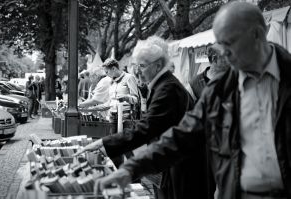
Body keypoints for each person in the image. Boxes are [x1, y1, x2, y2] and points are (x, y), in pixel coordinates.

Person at [92, 2, 291, 199]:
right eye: (219, 43)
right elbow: (182, 135)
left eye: (228, 43)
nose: (222, 51)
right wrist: (131, 169)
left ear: (257, 34)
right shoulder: (219, 90)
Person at [74, 37, 212, 199]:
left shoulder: (167, 89)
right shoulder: (162, 85)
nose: (136, 71)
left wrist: (104, 143)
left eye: (142, 66)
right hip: (170, 163)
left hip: (180, 168)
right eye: (135, 66)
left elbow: (147, 128)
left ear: (158, 65)